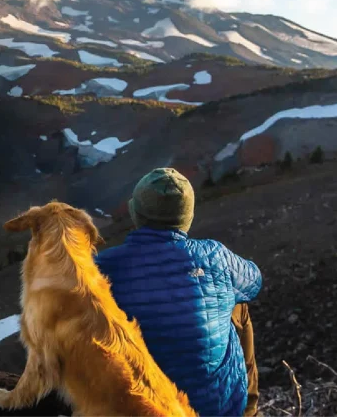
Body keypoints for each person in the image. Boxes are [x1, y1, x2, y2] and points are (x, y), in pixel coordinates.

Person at [95, 168, 262, 417]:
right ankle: (249, 410)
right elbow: (254, 281)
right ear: (188, 217)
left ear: (136, 213)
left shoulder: (101, 267)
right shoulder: (215, 256)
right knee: (238, 306)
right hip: (215, 410)